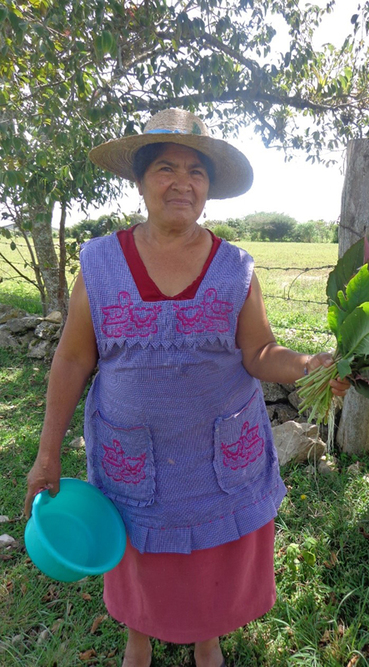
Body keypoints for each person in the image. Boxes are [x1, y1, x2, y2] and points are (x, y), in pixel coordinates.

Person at [24, 108, 349, 667]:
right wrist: (46, 453)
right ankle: (138, 641)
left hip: (217, 459)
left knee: (208, 565)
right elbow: (74, 358)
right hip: (133, 458)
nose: (182, 182)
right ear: (141, 181)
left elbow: (260, 353)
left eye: (196, 171)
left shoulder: (235, 268)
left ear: (209, 188)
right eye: (166, 168)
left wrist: (309, 365)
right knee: (141, 558)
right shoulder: (99, 264)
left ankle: (207, 639)